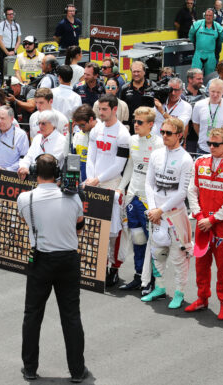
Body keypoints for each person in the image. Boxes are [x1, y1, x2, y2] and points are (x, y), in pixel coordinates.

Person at [17, 153, 88, 383]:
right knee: (71, 316)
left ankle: (29, 368)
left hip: (40, 260)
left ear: (36, 174)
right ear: (58, 174)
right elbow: (80, 225)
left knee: (32, 315)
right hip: (68, 260)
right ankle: (77, 371)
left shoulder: (24, 199)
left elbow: (27, 221)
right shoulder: (73, 198)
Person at [187, 127, 223, 320]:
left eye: (216, 144)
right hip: (202, 221)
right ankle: (202, 297)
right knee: (201, 263)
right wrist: (198, 215)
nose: (211, 147)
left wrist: (212, 219)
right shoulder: (200, 162)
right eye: (209, 143)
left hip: (221, 224)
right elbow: (192, 190)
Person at [140, 117, 194, 303]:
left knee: (179, 258)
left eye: (168, 133)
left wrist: (160, 210)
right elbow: (148, 183)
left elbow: (182, 193)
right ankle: (160, 288)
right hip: (156, 213)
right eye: (162, 132)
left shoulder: (186, 159)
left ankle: (179, 293)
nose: (164, 136)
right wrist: (153, 208)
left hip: (175, 215)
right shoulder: (156, 154)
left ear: (179, 135)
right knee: (157, 253)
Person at [85, 94, 131, 286]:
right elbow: (90, 155)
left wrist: (98, 179)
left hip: (112, 185)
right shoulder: (96, 129)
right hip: (94, 182)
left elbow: (119, 165)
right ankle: (99, 265)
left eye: (104, 109)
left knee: (114, 231)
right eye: (99, 109)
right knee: (94, 227)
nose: (100, 112)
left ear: (114, 109)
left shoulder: (123, 134)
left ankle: (114, 268)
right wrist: (90, 178)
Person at [116, 107, 165, 292]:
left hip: (150, 199)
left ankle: (152, 279)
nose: (135, 125)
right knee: (137, 238)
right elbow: (131, 165)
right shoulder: (132, 139)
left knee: (153, 240)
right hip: (134, 195)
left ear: (151, 125)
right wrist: (121, 188)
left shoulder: (159, 143)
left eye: (140, 122)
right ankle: (138, 275)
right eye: (134, 121)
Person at [18, 110, 68, 180]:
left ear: (53, 125)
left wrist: (30, 170)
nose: (40, 126)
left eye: (43, 123)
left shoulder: (62, 141)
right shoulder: (37, 138)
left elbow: (50, 165)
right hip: (33, 179)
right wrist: (24, 166)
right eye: (39, 123)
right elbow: (28, 157)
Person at [192, 78, 223, 154]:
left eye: (218, 92)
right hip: (203, 149)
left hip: (221, 149)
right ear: (208, 90)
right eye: (213, 91)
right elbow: (196, 124)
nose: (215, 95)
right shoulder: (199, 105)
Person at [120, 61, 156, 133]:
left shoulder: (153, 86)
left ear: (144, 72)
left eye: (138, 71)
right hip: (131, 128)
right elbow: (122, 109)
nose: (136, 74)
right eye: (134, 72)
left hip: (148, 128)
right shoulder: (125, 88)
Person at [189, 8, 223, 75]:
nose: (208, 17)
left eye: (210, 15)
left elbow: (219, 42)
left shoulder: (218, 27)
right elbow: (191, 36)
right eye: (207, 15)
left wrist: (216, 53)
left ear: (214, 17)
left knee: (210, 76)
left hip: (211, 54)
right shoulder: (197, 24)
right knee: (194, 74)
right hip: (198, 53)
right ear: (204, 15)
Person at [71, 105, 97, 182]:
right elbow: (72, 160)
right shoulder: (78, 134)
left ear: (91, 119)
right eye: (77, 125)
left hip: (97, 183)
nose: (80, 128)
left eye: (82, 124)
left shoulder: (102, 133)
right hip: (81, 183)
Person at [0, 7, 22, 74]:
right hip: (3, 50)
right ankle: (3, 84)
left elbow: (19, 39)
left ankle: (11, 83)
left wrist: (14, 50)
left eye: (12, 14)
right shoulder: (0, 25)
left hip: (13, 50)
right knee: (3, 71)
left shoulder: (17, 26)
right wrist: (7, 52)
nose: (11, 15)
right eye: (9, 14)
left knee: (11, 71)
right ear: (5, 15)